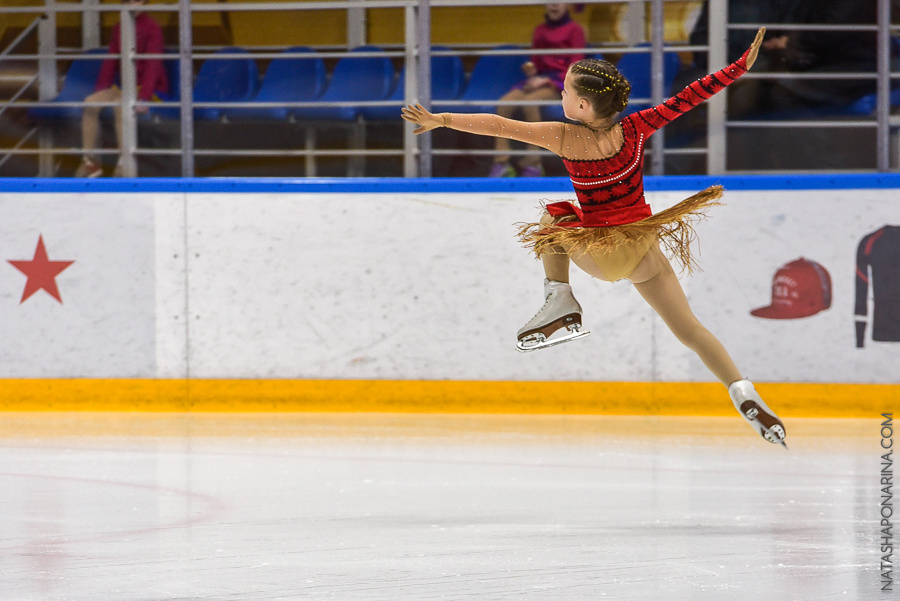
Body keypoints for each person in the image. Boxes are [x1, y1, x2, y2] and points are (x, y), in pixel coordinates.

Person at [402, 27, 787, 448]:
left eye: (565, 92)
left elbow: (499, 124)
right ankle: (741, 391)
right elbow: (690, 96)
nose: (560, 96)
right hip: (643, 248)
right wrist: (736, 68)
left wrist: (442, 120)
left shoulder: (565, 136)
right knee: (690, 330)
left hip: (604, 254)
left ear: (582, 105)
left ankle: (560, 299)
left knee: (551, 221)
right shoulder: (638, 127)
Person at [488, 3, 586, 178]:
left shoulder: (575, 30)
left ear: (568, 6)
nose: (555, 5)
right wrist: (532, 71)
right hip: (538, 80)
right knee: (503, 104)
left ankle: (534, 160)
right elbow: (536, 60)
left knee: (530, 103)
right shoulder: (540, 30)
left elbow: (576, 66)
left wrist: (547, 80)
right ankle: (501, 160)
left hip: (560, 82)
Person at [74, 0, 168, 178]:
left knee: (120, 104)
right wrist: (100, 90)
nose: (133, 4)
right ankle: (90, 161)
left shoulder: (152, 27)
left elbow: (153, 65)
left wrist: (145, 97)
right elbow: (111, 61)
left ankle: (125, 162)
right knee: (90, 103)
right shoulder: (119, 27)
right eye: (128, 1)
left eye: (137, 0)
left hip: (151, 89)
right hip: (126, 87)